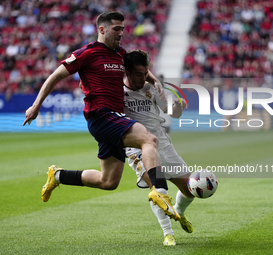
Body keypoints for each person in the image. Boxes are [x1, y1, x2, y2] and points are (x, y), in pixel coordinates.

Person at [23, 11, 180, 221]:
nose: (121, 33)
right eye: (117, 29)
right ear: (102, 29)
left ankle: (58, 175)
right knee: (149, 139)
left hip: (114, 119)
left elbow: (140, 69)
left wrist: (155, 81)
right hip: (101, 115)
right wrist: (36, 105)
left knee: (108, 181)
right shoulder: (86, 53)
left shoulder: (120, 54)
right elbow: (55, 75)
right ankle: (161, 191)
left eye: (123, 29)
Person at [123, 50, 195, 246]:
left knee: (190, 188)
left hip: (162, 143)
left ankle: (178, 213)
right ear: (127, 72)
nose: (144, 77)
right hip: (138, 148)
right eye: (139, 74)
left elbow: (172, 112)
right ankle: (168, 233)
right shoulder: (118, 92)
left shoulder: (151, 88)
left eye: (146, 73)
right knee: (158, 188)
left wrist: (178, 107)